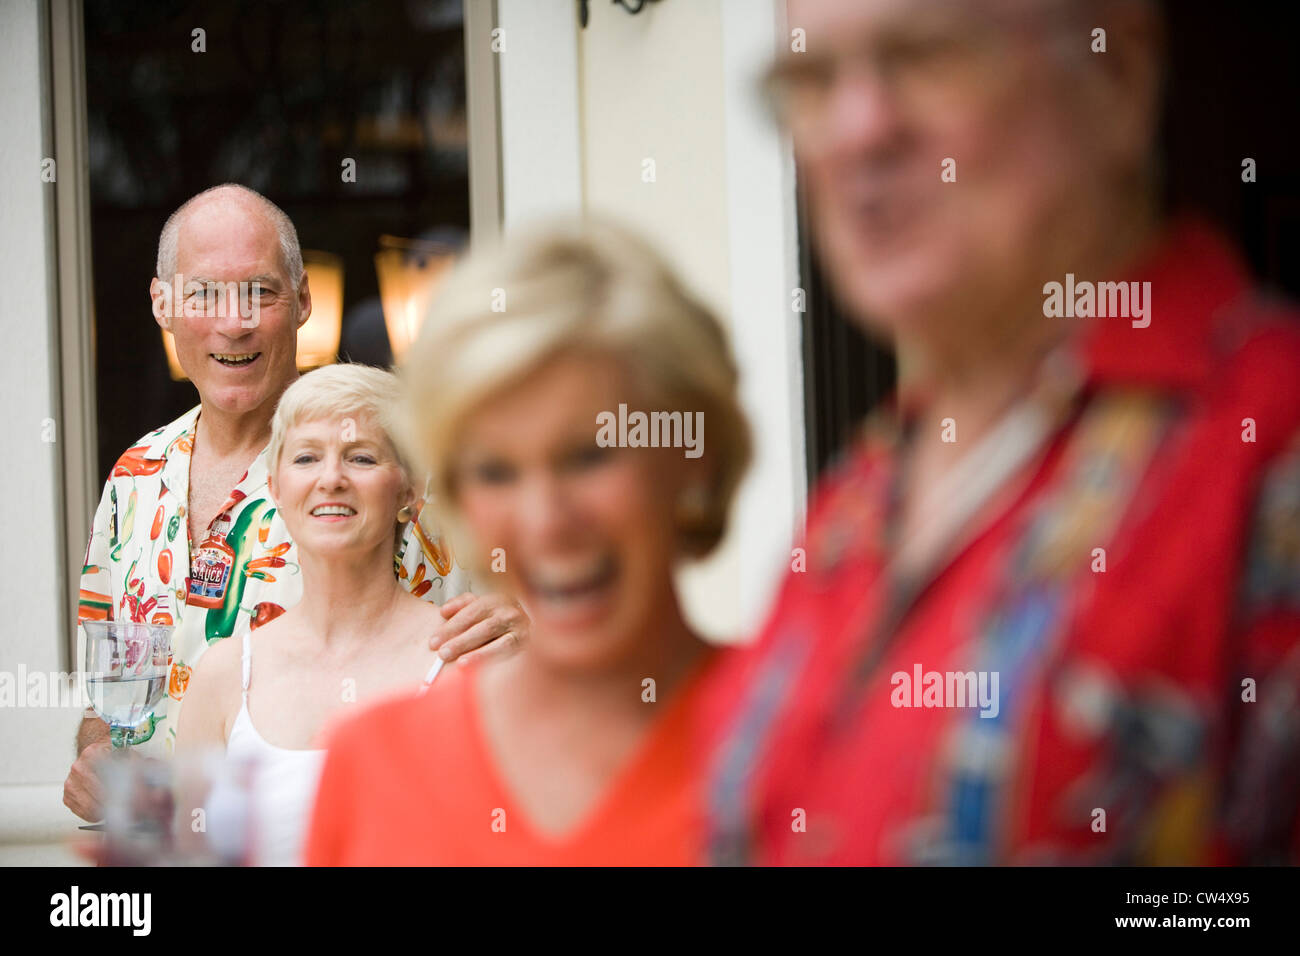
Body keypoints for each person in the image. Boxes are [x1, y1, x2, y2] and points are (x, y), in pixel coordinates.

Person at [702, 0, 1300, 865]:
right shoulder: (860, 494)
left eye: (927, 54)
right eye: (813, 80)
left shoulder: (1266, 447)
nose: (857, 131)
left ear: (1118, 76)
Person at [65, 184, 527, 822]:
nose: (235, 321)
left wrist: (525, 631)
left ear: (304, 300)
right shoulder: (134, 476)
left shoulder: (380, 463)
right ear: (162, 304)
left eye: (260, 290)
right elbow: (104, 698)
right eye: (204, 293)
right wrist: (94, 754)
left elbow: (509, 641)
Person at [304, 219, 752, 865]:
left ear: (693, 458)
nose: (546, 520)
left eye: (588, 457)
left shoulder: (804, 742)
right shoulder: (370, 766)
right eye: (495, 470)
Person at [175, 364, 453, 866]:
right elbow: (186, 860)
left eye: (361, 457)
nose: (331, 479)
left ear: (409, 492)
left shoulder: (462, 660)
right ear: (276, 489)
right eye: (306, 457)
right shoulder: (224, 674)